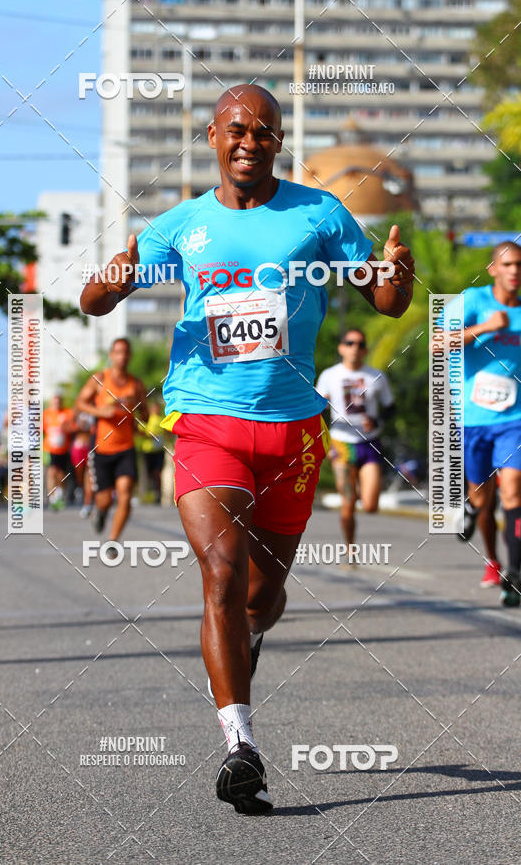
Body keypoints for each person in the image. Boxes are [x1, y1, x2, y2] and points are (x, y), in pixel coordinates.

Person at [80, 84, 415, 814]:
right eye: (237, 129)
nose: (249, 141)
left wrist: (399, 278)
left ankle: (250, 636)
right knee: (222, 576)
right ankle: (241, 745)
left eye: (264, 132)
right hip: (206, 419)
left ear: (278, 143)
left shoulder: (320, 213)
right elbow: (96, 300)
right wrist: (109, 283)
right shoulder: (180, 225)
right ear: (212, 136)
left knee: (263, 596)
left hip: (294, 430)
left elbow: (381, 298)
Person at [456, 240, 521, 606]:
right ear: (493, 269)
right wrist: (486, 326)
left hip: (516, 420)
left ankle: (515, 573)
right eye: (507, 264)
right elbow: (438, 343)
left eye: (520, 265)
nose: (515, 270)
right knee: (482, 496)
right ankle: (472, 508)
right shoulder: (473, 301)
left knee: (513, 494)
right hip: (474, 420)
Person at [316, 328, 395, 562]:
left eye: (360, 344)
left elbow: (391, 408)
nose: (355, 348)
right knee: (348, 502)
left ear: (366, 350)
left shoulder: (376, 376)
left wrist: (378, 420)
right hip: (342, 443)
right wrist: (325, 440)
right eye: (350, 343)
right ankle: (350, 548)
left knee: (370, 505)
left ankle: (360, 486)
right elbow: (318, 407)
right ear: (341, 348)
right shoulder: (330, 375)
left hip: (370, 442)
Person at [76, 338, 148, 540]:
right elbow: (80, 403)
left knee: (125, 493)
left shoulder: (136, 384)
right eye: (118, 352)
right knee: (105, 500)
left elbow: (146, 415)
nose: (122, 357)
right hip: (101, 448)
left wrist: (139, 408)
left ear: (130, 356)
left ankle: (113, 540)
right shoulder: (99, 379)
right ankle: (101, 512)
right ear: (111, 355)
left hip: (126, 447)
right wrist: (100, 411)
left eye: (125, 352)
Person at [42, 393, 74, 510]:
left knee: (61, 473)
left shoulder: (67, 413)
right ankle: (52, 498)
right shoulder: (46, 414)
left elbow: (73, 427)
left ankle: (59, 493)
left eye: (58, 401)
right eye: (54, 401)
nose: (57, 404)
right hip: (49, 449)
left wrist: (66, 428)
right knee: (51, 471)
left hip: (64, 449)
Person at [70, 409, 96, 518]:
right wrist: (79, 426)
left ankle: (87, 504)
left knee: (90, 475)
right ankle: (79, 488)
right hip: (78, 447)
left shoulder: (96, 409)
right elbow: (68, 427)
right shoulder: (77, 410)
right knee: (79, 473)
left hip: (90, 446)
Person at [140, 401, 167, 504]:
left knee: (158, 472)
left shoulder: (162, 420)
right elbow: (140, 432)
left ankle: (158, 494)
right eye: (154, 408)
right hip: (148, 450)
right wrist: (150, 435)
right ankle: (148, 493)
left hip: (159, 450)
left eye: (157, 408)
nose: (156, 410)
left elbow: (167, 432)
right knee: (149, 473)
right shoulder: (148, 419)